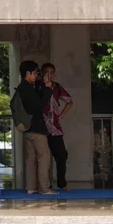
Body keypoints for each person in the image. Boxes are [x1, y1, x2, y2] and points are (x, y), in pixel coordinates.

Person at [11, 61, 56, 195]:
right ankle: (44, 188)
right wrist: (48, 90)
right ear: (28, 73)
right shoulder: (27, 88)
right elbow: (38, 106)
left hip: (27, 128)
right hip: (37, 128)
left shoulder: (22, 88)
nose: (37, 76)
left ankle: (30, 187)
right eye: (35, 73)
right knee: (44, 157)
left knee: (30, 159)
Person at [40, 63, 74, 191]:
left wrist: (61, 115)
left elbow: (69, 101)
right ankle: (44, 185)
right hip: (41, 126)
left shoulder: (57, 87)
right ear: (42, 74)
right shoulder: (38, 86)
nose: (50, 75)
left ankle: (62, 183)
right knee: (43, 158)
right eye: (47, 72)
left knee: (61, 155)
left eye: (52, 73)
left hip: (55, 127)